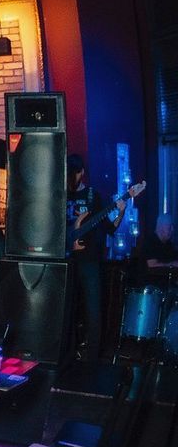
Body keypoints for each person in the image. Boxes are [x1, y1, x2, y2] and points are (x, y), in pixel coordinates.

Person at [66, 154, 126, 360]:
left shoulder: (93, 196)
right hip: (65, 259)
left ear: (82, 172)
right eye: (69, 173)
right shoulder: (60, 194)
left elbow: (110, 228)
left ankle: (91, 357)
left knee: (93, 310)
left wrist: (121, 212)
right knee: (65, 308)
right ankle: (67, 352)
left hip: (89, 260)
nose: (72, 178)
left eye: (75, 173)